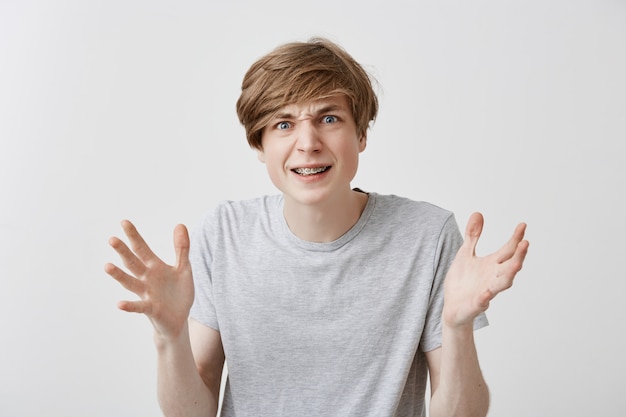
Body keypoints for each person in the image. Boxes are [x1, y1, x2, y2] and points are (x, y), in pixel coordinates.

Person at [105, 38, 529, 417]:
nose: (307, 143)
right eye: (283, 124)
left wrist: (455, 328)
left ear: (361, 134)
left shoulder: (427, 236)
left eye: (329, 118)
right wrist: (170, 336)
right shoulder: (225, 234)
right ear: (259, 145)